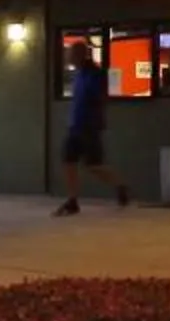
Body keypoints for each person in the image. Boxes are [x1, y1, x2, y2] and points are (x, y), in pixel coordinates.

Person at [54, 37, 129, 214]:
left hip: (89, 126)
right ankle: (72, 200)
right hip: (75, 125)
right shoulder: (78, 74)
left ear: (79, 55)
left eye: (71, 54)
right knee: (68, 160)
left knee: (94, 165)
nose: (68, 58)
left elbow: (102, 98)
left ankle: (120, 185)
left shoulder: (95, 74)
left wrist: (95, 115)